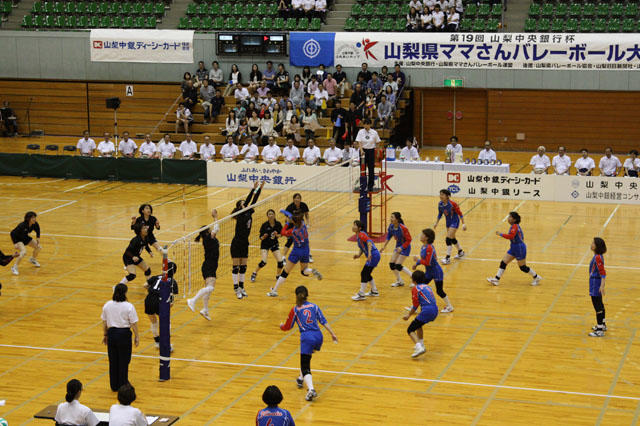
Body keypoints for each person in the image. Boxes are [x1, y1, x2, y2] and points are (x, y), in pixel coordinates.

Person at [279, 285, 338, 401]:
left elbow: (288, 326)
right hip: (318, 336)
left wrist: (281, 326)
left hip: (307, 337)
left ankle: (311, 389)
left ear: (296, 296)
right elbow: (323, 321)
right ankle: (301, 379)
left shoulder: (295, 309)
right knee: (307, 358)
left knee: (305, 365)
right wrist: (332, 334)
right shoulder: (314, 306)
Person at [267, 213, 322, 297]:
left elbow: (282, 232)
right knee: (304, 271)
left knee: (285, 272)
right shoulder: (303, 224)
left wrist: (287, 223)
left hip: (296, 252)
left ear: (293, 221)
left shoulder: (293, 231)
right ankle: (312, 271)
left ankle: (274, 291)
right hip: (306, 250)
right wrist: (285, 213)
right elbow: (293, 216)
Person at [486, 211, 542, 286]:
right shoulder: (514, 226)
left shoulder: (515, 226)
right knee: (503, 262)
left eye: (510, 217)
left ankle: (536, 277)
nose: (508, 219)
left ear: (514, 219)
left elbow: (511, 236)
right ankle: (496, 279)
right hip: (514, 247)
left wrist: (500, 234)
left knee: (522, 267)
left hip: (519, 248)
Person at [101, 284, 139, 392]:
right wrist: (137, 336)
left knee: (113, 360)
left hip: (112, 333)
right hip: (124, 334)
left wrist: (105, 335)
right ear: (125, 293)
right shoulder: (129, 306)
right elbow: (134, 323)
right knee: (124, 360)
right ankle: (123, 384)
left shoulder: (107, 305)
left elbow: (104, 322)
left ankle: (114, 385)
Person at [231, 182, 264, 299]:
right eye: (242, 203)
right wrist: (252, 190)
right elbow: (249, 200)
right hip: (236, 243)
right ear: (239, 207)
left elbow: (253, 200)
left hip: (245, 242)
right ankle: (236, 289)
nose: (245, 204)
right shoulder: (239, 214)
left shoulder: (249, 211)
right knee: (236, 267)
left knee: (243, 267)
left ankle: (241, 287)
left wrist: (258, 188)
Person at [187, 210, 220, 321]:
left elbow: (216, 230)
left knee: (209, 289)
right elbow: (217, 228)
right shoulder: (208, 238)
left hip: (211, 265)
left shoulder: (209, 238)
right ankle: (193, 300)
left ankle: (205, 310)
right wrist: (215, 217)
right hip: (209, 265)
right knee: (210, 288)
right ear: (207, 232)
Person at [412, 228, 454, 313]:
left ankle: (450, 306)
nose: (420, 236)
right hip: (429, 272)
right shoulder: (423, 247)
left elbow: (428, 262)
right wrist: (416, 264)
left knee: (439, 291)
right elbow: (424, 259)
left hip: (436, 272)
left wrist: (418, 261)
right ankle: (414, 307)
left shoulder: (430, 248)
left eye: (422, 235)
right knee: (419, 288)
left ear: (427, 238)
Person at [403, 270, 438, 358]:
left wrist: (408, 315)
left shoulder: (415, 289)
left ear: (413, 280)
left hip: (427, 311)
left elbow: (415, 306)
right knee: (419, 324)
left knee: (410, 330)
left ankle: (419, 347)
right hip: (435, 310)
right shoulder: (427, 287)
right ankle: (421, 344)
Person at [144, 262, 178, 349]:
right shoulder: (173, 282)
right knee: (166, 323)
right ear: (174, 272)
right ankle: (167, 345)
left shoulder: (156, 277)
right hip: (160, 300)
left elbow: (145, 285)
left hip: (149, 299)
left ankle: (157, 342)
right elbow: (172, 300)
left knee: (154, 322)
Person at [433, 189, 466, 265]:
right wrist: (436, 223)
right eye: (440, 194)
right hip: (448, 223)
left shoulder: (452, 204)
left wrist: (463, 224)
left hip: (454, 222)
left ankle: (447, 258)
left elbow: (460, 213)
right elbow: (440, 214)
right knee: (453, 238)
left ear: (447, 196)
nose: (440, 196)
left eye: (442, 195)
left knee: (448, 238)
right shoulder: (440, 204)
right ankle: (460, 252)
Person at [380, 212, 413, 287]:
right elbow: (389, 236)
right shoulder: (391, 226)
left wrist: (402, 248)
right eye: (390, 217)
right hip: (398, 246)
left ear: (397, 219)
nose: (390, 219)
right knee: (392, 264)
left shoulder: (403, 228)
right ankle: (399, 281)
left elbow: (409, 240)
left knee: (398, 265)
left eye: (392, 217)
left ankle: (414, 278)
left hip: (405, 247)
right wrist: (384, 246)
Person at [251, 209, 284, 283]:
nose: (271, 215)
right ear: (267, 216)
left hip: (274, 244)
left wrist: (277, 235)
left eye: (272, 214)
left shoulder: (278, 224)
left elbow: (281, 234)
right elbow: (260, 238)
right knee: (264, 261)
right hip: (265, 245)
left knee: (280, 262)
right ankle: (254, 273)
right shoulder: (264, 225)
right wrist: (263, 237)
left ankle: (278, 275)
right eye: (269, 214)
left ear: (274, 215)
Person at [351, 220, 380, 301]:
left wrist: (370, 254)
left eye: (355, 225)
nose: (353, 226)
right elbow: (362, 247)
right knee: (367, 274)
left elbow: (369, 242)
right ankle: (374, 291)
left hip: (373, 255)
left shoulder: (361, 234)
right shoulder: (358, 235)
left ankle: (361, 294)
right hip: (374, 255)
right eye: (353, 225)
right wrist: (358, 255)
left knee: (364, 273)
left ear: (359, 228)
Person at [10, 211, 41, 276]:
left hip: (25, 237)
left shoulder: (35, 224)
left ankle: (32, 259)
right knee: (23, 252)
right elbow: (12, 233)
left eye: (35, 217)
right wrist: (15, 243)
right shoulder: (22, 225)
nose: (34, 219)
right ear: (28, 218)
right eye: (33, 218)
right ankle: (14, 267)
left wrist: (38, 237)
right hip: (18, 239)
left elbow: (38, 229)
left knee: (38, 247)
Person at [588, 237, 607, 337]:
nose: (591, 244)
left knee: (597, 305)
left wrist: (602, 286)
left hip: (596, 283)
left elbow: (603, 272)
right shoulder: (597, 256)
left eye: (593, 243)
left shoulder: (598, 257)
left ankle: (599, 330)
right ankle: (602, 324)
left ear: (597, 246)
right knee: (600, 303)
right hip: (595, 281)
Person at [355, 119, 381, 192]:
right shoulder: (360, 132)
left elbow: (378, 142)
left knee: (371, 169)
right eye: (364, 124)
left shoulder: (374, 132)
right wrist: (361, 150)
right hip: (363, 152)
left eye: (367, 124)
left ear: (370, 125)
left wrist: (378, 151)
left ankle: (370, 186)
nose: (365, 126)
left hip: (371, 151)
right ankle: (363, 185)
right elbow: (359, 142)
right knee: (362, 169)